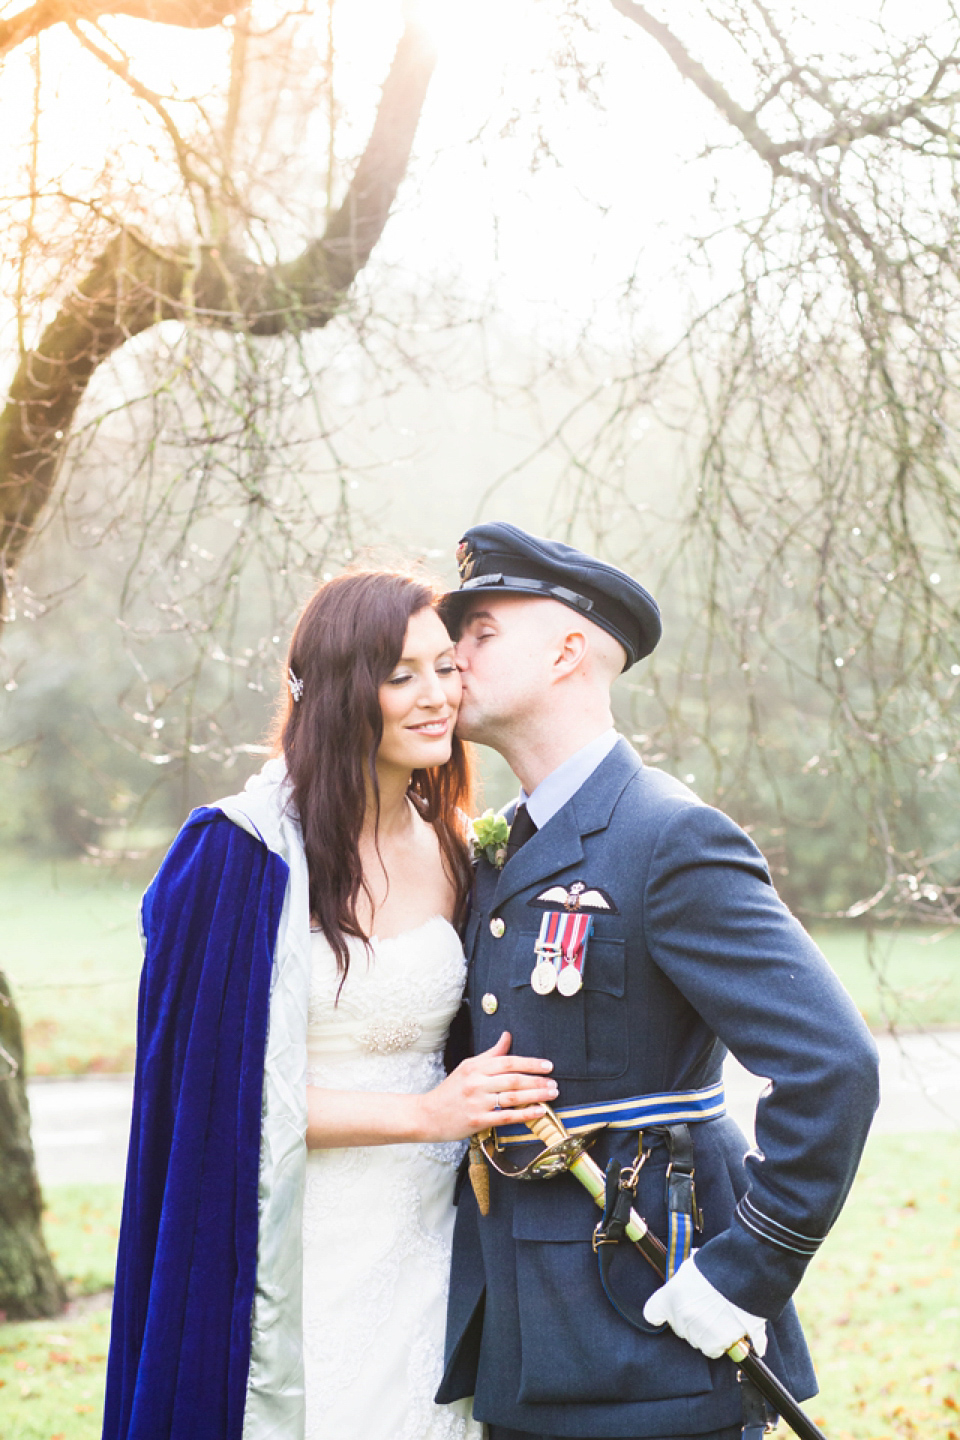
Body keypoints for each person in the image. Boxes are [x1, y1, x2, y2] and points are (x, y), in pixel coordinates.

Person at [435, 522, 881, 1440]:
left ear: (567, 650)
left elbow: (832, 1065)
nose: (454, 655)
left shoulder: (668, 837)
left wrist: (744, 1271)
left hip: (648, 1320)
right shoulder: (500, 842)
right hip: (520, 1330)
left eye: (481, 633)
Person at [102, 568, 557, 1440]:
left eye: (445, 667)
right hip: (288, 1241)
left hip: (433, 1240)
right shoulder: (236, 859)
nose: (438, 696)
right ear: (346, 691)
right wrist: (425, 1113)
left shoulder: (462, 847)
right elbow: (205, 1101)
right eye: (402, 675)